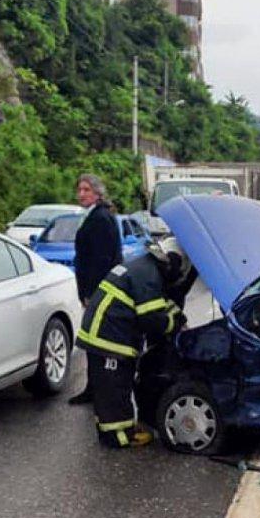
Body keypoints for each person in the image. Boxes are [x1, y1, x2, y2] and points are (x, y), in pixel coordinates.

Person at [76, 239, 188, 448]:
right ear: (171, 261)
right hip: (109, 339)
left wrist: (178, 317)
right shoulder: (149, 275)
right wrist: (175, 324)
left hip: (105, 334)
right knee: (114, 388)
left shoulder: (144, 267)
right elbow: (152, 320)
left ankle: (113, 429)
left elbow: (159, 303)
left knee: (110, 386)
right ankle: (118, 436)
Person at [69, 173, 122, 405]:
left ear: (98, 193)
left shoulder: (100, 218)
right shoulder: (95, 215)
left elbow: (100, 260)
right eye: (79, 190)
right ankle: (94, 386)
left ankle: (97, 388)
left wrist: (91, 293)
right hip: (96, 289)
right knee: (95, 340)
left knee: (96, 340)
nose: (81, 194)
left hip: (99, 290)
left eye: (86, 190)